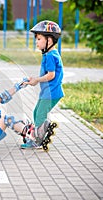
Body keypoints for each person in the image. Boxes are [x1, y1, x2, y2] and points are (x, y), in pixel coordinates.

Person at [21, 20, 64, 148]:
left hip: (51, 93)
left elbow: (51, 75)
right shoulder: (48, 54)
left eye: (39, 39)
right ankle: (44, 127)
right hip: (47, 92)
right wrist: (34, 79)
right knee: (36, 112)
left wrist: (37, 80)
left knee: (40, 115)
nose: (36, 42)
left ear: (49, 41)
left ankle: (37, 140)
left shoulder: (51, 55)